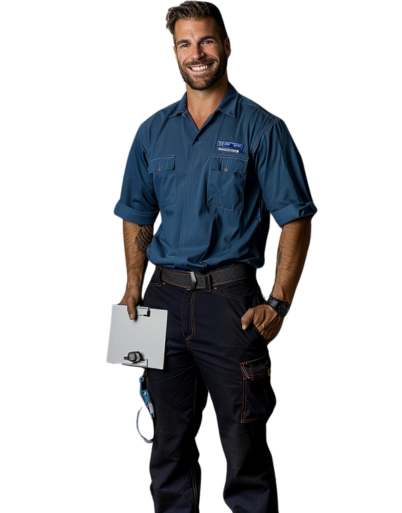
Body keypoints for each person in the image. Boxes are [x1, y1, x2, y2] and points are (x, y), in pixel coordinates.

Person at [113, 1, 318, 511]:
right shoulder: (151, 130)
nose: (196, 53)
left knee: (244, 443)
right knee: (166, 447)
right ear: (173, 55)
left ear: (227, 48)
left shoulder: (262, 129)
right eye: (185, 44)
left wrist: (280, 299)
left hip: (230, 302)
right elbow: (136, 212)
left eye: (206, 41)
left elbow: (294, 217)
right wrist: (134, 283)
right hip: (160, 301)